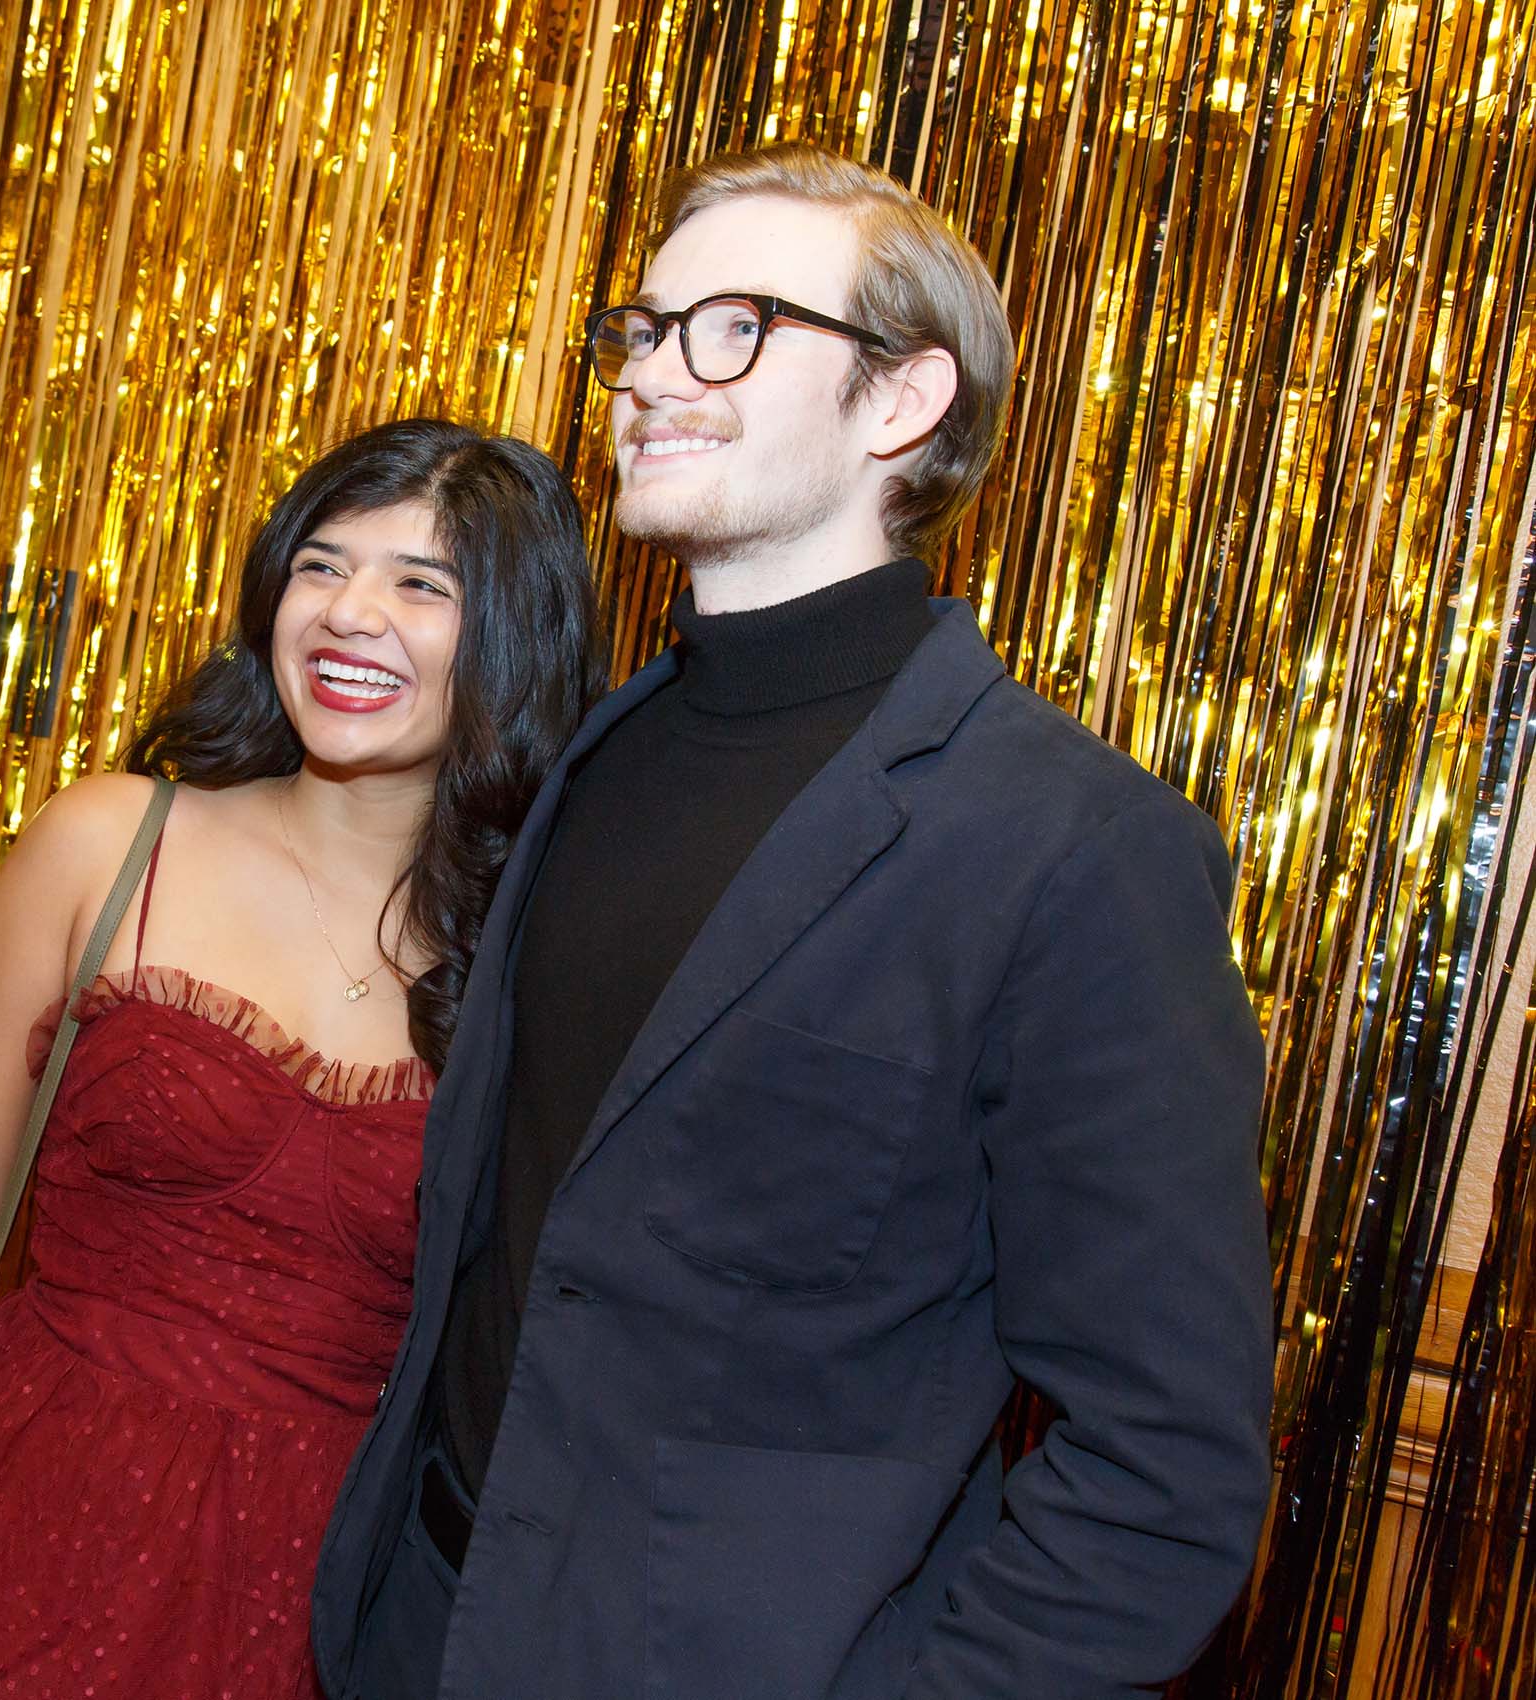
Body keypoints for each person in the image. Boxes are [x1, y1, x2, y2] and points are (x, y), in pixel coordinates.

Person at [311, 144, 1276, 1700]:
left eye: (734, 325)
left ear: (900, 404)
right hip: (420, 1617)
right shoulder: (603, 749)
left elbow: (1165, 1477)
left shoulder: (1074, 847)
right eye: (642, 328)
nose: (648, 379)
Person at [0, 417, 604, 1700]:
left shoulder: (537, 966)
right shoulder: (109, 843)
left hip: (307, 1604)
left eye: (423, 584)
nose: (351, 611)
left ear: (515, 643)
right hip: (18, 1528)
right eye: (320, 565)